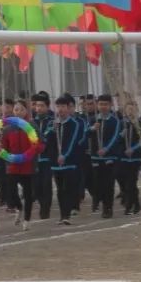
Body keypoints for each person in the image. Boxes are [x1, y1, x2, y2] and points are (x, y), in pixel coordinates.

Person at [4, 100, 41, 230]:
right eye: (16, 109)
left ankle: (27, 219)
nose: (18, 112)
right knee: (11, 191)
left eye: (21, 109)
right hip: (12, 164)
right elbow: (4, 147)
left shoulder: (32, 125)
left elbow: (40, 143)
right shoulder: (8, 128)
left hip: (28, 164)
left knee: (28, 193)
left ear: (26, 111)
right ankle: (19, 207)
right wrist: (7, 158)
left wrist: (33, 153)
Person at [48, 95, 84, 225]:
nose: (60, 109)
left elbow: (73, 141)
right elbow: (48, 141)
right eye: (58, 107)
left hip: (70, 162)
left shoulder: (74, 124)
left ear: (68, 108)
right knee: (59, 189)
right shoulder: (53, 123)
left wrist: (64, 155)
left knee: (68, 188)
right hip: (56, 164)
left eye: (63, 107)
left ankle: (66, 214)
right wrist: (50, 131)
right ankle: (62, 214)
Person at [90, 94, 123, 218]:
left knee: (108, 183)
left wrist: (106, 149)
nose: (103, 107)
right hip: (96, 157)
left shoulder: (115, 120)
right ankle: (98, 200)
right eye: (100, 104)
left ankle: (108, 207)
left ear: (110, 105)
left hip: (110, 157)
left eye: (105, 104)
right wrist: (92, 129)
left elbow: (115, 137)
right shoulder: (93, 119)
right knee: (97, 183)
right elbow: (85, 134)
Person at [119, 102, 141, 215]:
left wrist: (133, 149)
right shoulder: (121, 123)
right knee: (126, 183)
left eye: (133, 109)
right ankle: (137, 204)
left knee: (131, 182)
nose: (130, 111)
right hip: (123, 157)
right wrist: (121, 135)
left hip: (135, 157)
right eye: (128, 109)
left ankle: (129, 206)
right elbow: (116, 138)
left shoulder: (140, 123)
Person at [31, 93, 54, 219]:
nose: (38, 108)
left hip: (47, 158)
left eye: (41, 106)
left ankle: (46, 209)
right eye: (37, 106)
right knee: (37, 186)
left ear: (47, 107)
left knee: (46, 185)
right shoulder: (32, 121)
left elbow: (46, 136)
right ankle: (42, 204)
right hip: (35, 159)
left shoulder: (51, 122)